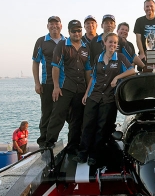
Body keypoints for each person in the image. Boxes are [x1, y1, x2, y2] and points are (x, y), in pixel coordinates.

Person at [73, 32, 135, 165]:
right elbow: (93, 77)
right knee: (87, 125)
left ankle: (94, 156)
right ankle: (83, 153)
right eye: (110, 42)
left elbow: (132, 70)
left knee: (101, 128)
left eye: (115, 43)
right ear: (105, 43)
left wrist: (117, 77)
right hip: (94, 95)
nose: (112, 44)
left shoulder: (120, 57)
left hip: (108, 97)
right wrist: (86, 94)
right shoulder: (98, 57)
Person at [44, 20, 92, 154]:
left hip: (80, 89)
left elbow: (88, 70)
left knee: (76, 120)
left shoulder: (85, 47)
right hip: (64, 88)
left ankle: (72, 146)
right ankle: (48, 144)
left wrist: (88, 91)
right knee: (58, 116)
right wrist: (56, 87)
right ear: (69, 32)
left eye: (79, 31)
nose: (76, 33)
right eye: (73, 31)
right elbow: (55, 67)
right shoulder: (62, 45)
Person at [32, 16, 65, 149]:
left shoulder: (66, 41)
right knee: (46, 113)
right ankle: (43, 143)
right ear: (48, 26)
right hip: (47, 83)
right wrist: (37, 83)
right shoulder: (41, 41)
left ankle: (53, 140)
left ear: (61, 26)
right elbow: (35, 62)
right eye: (51, 24)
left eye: (56, 24)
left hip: (64, 84)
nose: (54, 26)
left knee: (61, 114)